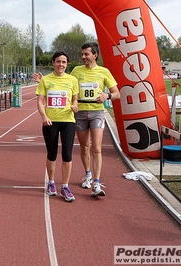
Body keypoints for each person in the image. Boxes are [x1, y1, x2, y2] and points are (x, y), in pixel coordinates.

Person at [71, 42, 120, 196]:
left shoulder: (104, 72)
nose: (83, 57)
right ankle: (88, 174)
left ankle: (97, 183)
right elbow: (68, 87)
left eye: (86, 54)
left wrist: (107, 95)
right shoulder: (76, 70)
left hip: (97, 112)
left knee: (97, 148)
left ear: (95, 55)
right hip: (80, 113)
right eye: (82, 54)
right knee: (85, 146)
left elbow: (117, 93)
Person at [36, 51, 79, 202]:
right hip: (50, 121)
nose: (61, 65)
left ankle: (65, 186)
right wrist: (44, 116)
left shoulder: (72, 80)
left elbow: (75, 100)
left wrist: (74, 106)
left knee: (67, 155)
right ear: (53, 63)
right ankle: (52, 182)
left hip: (68, 121)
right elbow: (40, 101)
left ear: (67, 64)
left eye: (64, 62)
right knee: (52, 153)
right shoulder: (45, 80)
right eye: (58, 61)